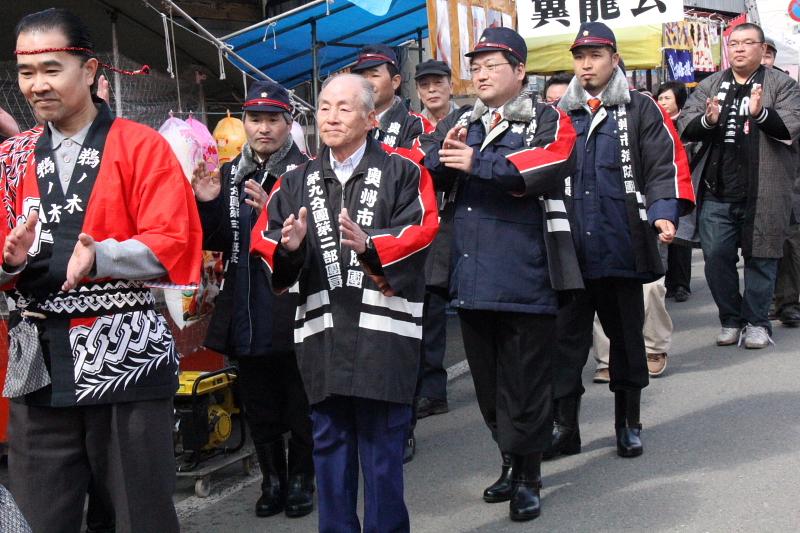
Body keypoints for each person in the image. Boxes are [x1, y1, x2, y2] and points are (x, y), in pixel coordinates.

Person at [1, 8, 202, 533]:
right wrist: (9, 264)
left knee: (140, 518)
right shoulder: (11, 159)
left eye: (51, 68)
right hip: (37, 366)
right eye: (26, 73)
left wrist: (102, 254)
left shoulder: (141, 145)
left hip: (124, 356)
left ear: (90, 71)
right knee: (34, 519)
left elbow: (175, 240)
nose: (37, 85)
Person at [251, 73, 438, 533]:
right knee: (329, 455)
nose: (331, 116)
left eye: (344, 107)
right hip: (323, 337)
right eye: (325, 107)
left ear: (371, 118)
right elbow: (266, 240)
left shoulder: (405, 170)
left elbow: (421, 230)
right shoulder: (294, 181)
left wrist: (372, 244)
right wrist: (289, 248)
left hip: (384, 338)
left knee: (383, 457)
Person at [422, 26, 580, 522]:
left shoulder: (547, 118)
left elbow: (545, 166)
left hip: (526, 274)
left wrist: (477, 161)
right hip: (470, 277)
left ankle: (531, 475)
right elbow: (430, 174)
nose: (483, 73)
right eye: (477, 66)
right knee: (488, 389)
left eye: (493, 65)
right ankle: (509, 461)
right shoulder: (465, 122)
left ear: (520, 72)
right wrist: (443, 159)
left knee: (527, 385)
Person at [548, 22, 693, 461]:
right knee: (563, 346)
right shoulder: (558, 114)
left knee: (627, 342)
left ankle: (628, 422)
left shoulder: (641, 108)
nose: (586, 64)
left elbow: (662, 166)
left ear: (614, 58)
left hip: (623, 246)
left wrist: (664, 215)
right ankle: (564, 428)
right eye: (579, 56)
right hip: (569, 253)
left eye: (595, 55)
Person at [192, 80, 315, 518]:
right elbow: (220, 242)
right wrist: (207, 204)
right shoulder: (230, 173)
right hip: (243, 302)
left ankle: (302, 478)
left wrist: (272, 212)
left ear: (289, 123)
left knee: (298, 399)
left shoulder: (307, 173)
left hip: (290, 302)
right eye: (254, 120)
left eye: (272, 120)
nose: (263, 129)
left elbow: (316, 242)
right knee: (258, 402)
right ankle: (272, 479)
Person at [679, 22, 800, 348]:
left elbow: (791, 126)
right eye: (734, 44)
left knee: (762, 256)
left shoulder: (784, 86)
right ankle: (731, 319)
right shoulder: (709, 85)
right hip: (718, 191)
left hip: (766, 191)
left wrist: (761, 114)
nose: (740, 49)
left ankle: (758, 322)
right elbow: (684, 126)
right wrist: (708, 121)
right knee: (716, 257)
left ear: (763, 51)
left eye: (748, 43)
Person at [401, 59, 458, 463]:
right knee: (430, 306)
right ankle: (432, 390)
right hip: (428, 228)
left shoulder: (467, 119)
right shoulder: (414, 127)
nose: (432, 90)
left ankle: (434, 385)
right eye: (425, 85)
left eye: (438, 83)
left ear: (451, 86)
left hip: (461, 221)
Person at [763, 37, 800, 328]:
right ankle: (769, 301)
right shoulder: (733, 91)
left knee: (788, 243)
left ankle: (786, 302)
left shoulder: (789, 91)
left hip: (789, 179)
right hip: (751, 181)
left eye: (768, 54)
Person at [351, 44, 432, 149]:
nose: (366, 83)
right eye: (362, 77)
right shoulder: (350, 122)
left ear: (395, 82)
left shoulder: (415, 125)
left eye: (374, 75)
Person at [658, 81, 696, 304]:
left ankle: (681, 283)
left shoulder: (686, 124)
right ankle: (664, 281)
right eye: (660, 98)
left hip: (682, 183)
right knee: (662, 235)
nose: (662, 102)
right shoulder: (654, 121)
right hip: (661, 183)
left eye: (667, 98)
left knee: (681, 236)